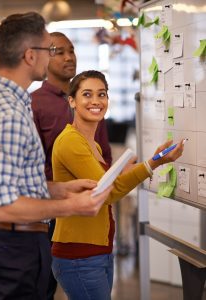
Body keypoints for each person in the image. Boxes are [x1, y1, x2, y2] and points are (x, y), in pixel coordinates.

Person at [0, 14, 112, 300]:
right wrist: (72, 206)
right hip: (13, 242)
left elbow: (11, 183)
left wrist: (59, 189)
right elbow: (1, 207)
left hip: (6, 239)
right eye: (49, 50)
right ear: (30, 55)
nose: (53, 57)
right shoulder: (9, 114)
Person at [51, 70, 185, 300]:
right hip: (79, 255)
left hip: (97, 252)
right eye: (87, 94)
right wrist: (154, 163)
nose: (96, 101)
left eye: (101, 94)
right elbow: (106, 193)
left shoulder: (92, 144)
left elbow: (109, 182)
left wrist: (149, 162)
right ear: (72, 100)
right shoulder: (71, 141)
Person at [31, 31, 112, 299]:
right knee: (43, 288)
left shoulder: (89, 103)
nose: (68, 57)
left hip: (89, 209)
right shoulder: (34, 103)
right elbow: (30, 164)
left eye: (72, 50)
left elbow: (105, 155)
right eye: (59, 51)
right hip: (49, 213)